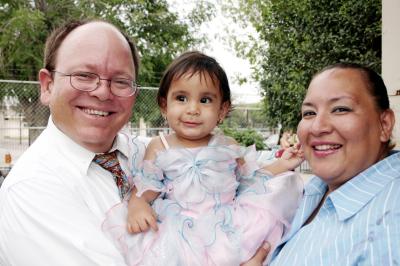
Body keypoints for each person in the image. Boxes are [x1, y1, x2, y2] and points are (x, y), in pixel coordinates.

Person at [101, 51, 304, 265]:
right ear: (164, 105)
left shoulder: (228, 146)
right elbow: (147, 186)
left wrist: (282, 164)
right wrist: (137, 205)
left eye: (205, 100)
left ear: (222, 110)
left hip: (226, 225)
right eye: (181, 98)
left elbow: (249, 180)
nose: (193, 109)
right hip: (178, 230)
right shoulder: (160, 145)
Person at [0, 19, 144, 265]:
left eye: (120, 81)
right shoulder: (32, 189)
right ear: (47, 86)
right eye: (84, 75)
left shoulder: (150, 152)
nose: (102, 92)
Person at [270, 63, 399, 265]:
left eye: (340, 109)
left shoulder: (391, 218)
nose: (318, 127)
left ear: (384, 124)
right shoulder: (313, 189)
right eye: (309, 113)